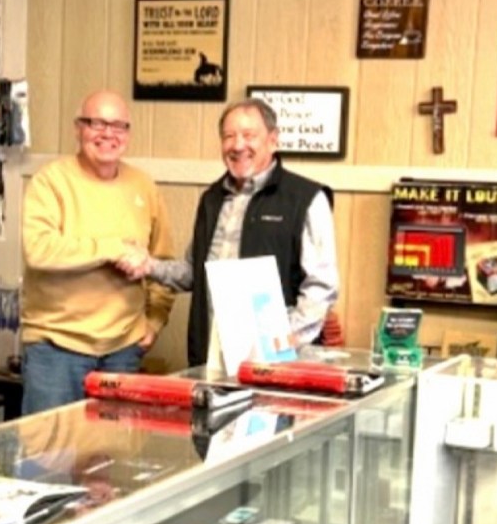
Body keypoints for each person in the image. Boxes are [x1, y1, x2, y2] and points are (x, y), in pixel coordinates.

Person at [116, 98, 339, 367]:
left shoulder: (306, 198)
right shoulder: (212, 199)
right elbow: (194, 272)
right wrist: (149, 266)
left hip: (278, 364)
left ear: (273, 141)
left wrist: (281, 343)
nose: (238, 145)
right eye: (229, 136)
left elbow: (321, 287)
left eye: (249, 135)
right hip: (212, 359)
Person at [20, 90, 175, 414]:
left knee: (113, 446)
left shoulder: (143, 186)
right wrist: (112, 248)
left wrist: (155, 320)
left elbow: (163, 262)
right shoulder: (50, 182)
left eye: (118, 126)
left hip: (123, 350)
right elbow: (39, 250)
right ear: (78, 129)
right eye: (97, 124)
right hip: (56, 349)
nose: (108, 134)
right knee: (49, 447)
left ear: (128, 134)